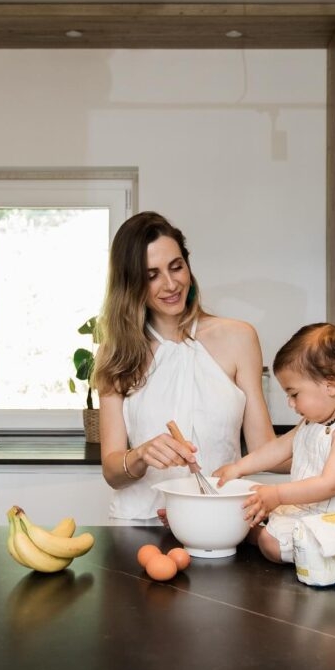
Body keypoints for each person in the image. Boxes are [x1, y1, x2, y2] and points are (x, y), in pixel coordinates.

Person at [93, 211, 276, 523]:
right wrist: (140, 456)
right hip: (140, 525)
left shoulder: (238, 338)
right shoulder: (116, 353)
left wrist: (332, 435)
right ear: (132, 284)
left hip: (220, 521)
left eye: (176, 267)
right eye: (151, 276)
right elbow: (112, 472)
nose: (170, 284)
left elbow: (264, 448)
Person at [214, 322, 335, 563]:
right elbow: (277, 449)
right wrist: (239, 467)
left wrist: (277, 494)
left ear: (330, 386)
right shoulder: (312, 422)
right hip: (308, 513)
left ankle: (259, 537)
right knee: (249, 511)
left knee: (271, 543)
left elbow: (329, 485)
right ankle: (255, 534)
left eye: (294, 394)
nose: (290, 403)